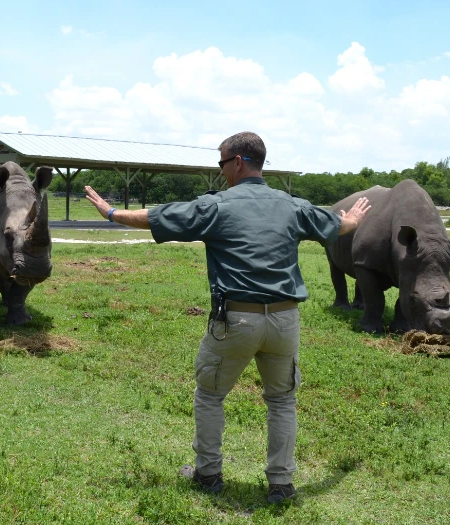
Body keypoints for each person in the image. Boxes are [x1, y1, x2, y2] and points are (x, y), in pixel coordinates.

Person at [84, 131, 370, 504]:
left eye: (221, 163)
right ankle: (281, 485)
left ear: (237, 162)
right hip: (285, 322)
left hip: (238, 319)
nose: (220, 172)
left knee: (210, 395)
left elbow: (159, 216)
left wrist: (110, 212)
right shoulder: (292, 205)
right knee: (282, 401)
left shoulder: (217, 206)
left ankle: (208, 474)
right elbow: (338, 226)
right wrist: (353, 219)